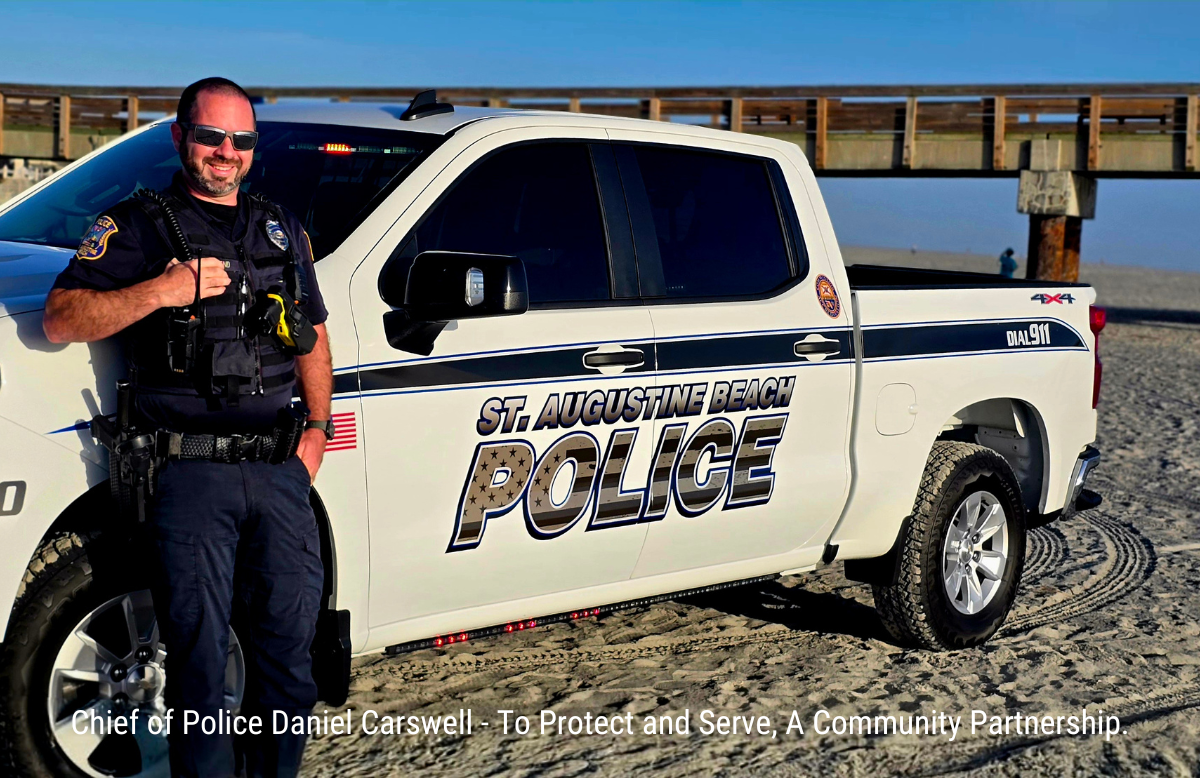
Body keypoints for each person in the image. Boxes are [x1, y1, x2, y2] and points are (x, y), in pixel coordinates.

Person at [43, 77, 333, 778]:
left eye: (240, 141)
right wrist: (161, 292)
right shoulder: (139, 225)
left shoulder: (281, 227)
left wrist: (318, 430)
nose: (225, 153)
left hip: (278, 473)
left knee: (290, 664)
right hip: (190, 477)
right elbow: (60, 319)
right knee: (201, 673)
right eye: (211, 137)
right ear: (181, 138)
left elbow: (313, 334)